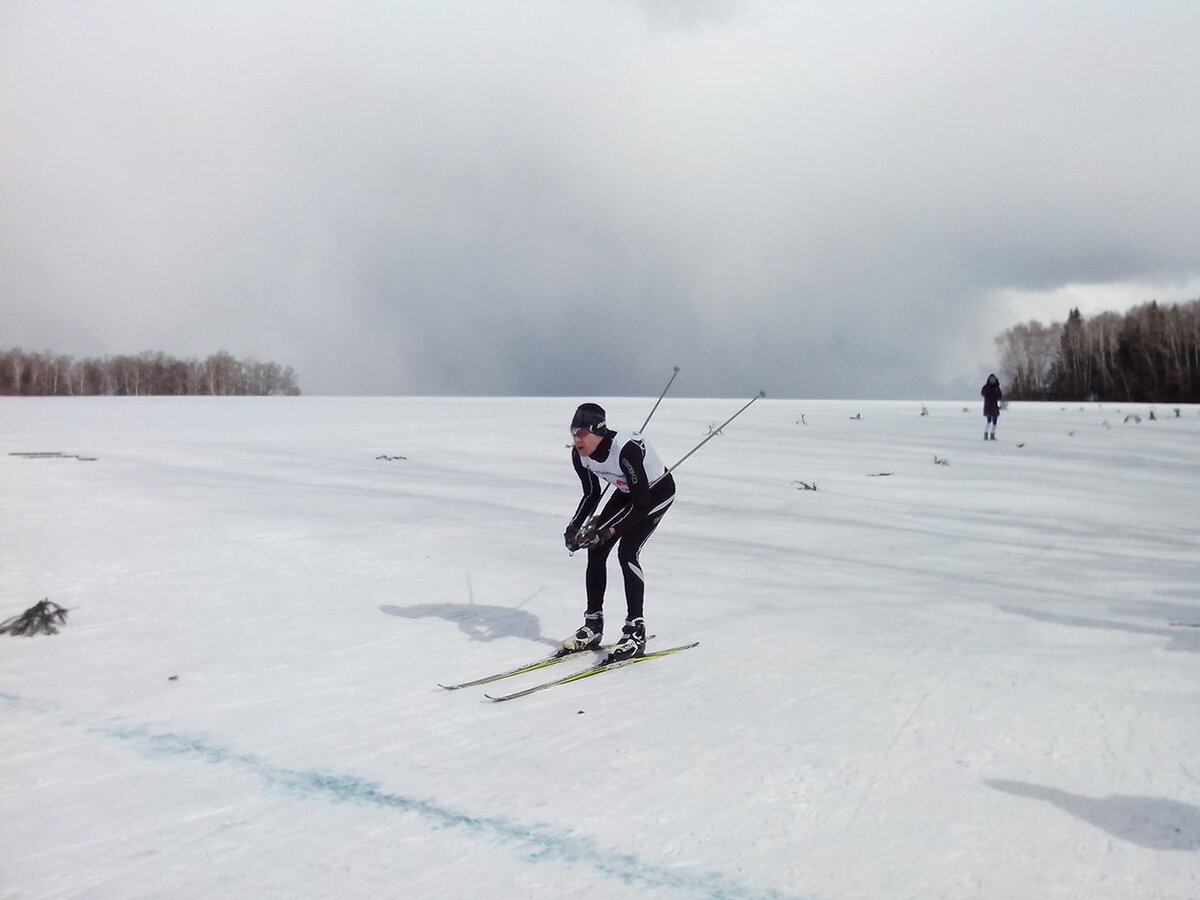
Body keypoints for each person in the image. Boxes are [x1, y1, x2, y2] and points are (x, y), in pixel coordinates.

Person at [562, 402, 676, 663]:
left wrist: (609, 530)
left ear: (597, 431)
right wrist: (574, 527)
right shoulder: (580, 455)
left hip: (656, 492)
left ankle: (636, 630)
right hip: (628, 492)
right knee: (597, 549)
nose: (576, 438)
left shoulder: (626, 451)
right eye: (572, 432)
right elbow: (591, 494)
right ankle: (593, 625)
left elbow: (642, 504)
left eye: (581, 433)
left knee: (627, 552)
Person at [981, 374, 1003, 440]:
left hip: (994, 406)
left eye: (993, 380)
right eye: (991, 380)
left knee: (995, 421)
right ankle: (986, 434)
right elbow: (983, 393)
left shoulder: (997, 387)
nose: (992, 381)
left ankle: (992, 435)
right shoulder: (986, 387)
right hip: (988, 406)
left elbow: (1000, 396)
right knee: (989, 420)